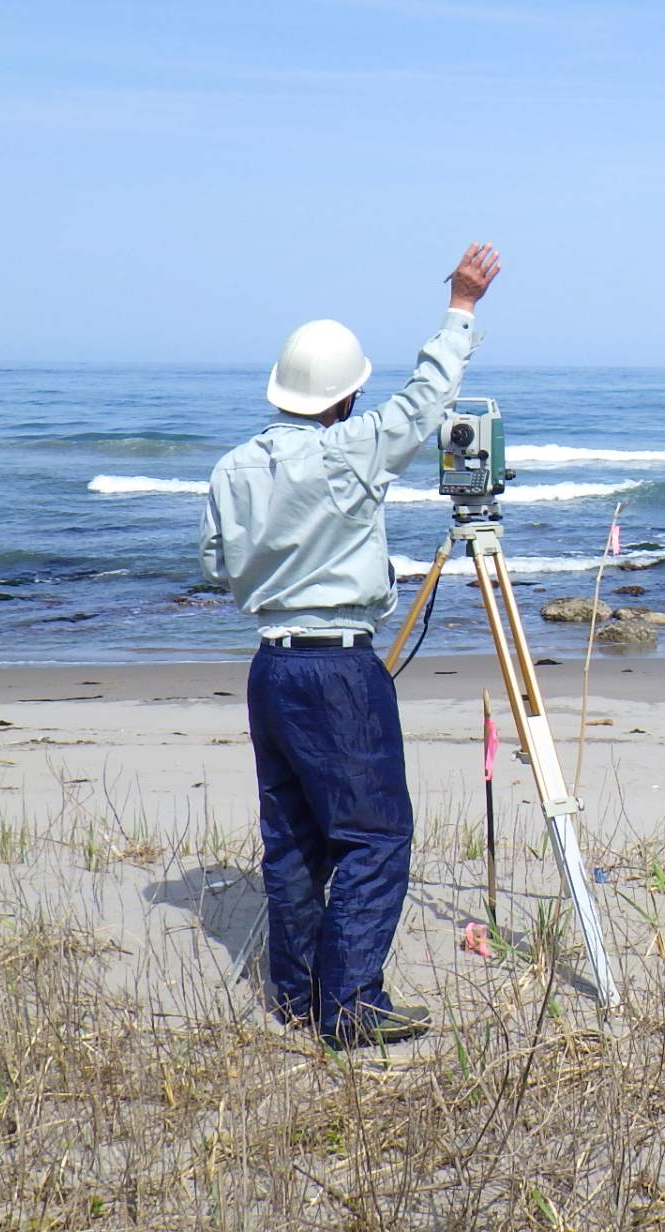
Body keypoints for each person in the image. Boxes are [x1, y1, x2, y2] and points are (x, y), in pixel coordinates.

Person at [199, 243, 502, 1046]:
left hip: (271, 665)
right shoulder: (351, 449)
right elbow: (428, 397)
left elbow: (218, 566)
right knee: (374, 835)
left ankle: (297, 996)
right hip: (338, 667)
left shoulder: (232, 468)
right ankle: (352, 1006)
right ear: (346, 395)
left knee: (292, 840)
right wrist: (462, 306)